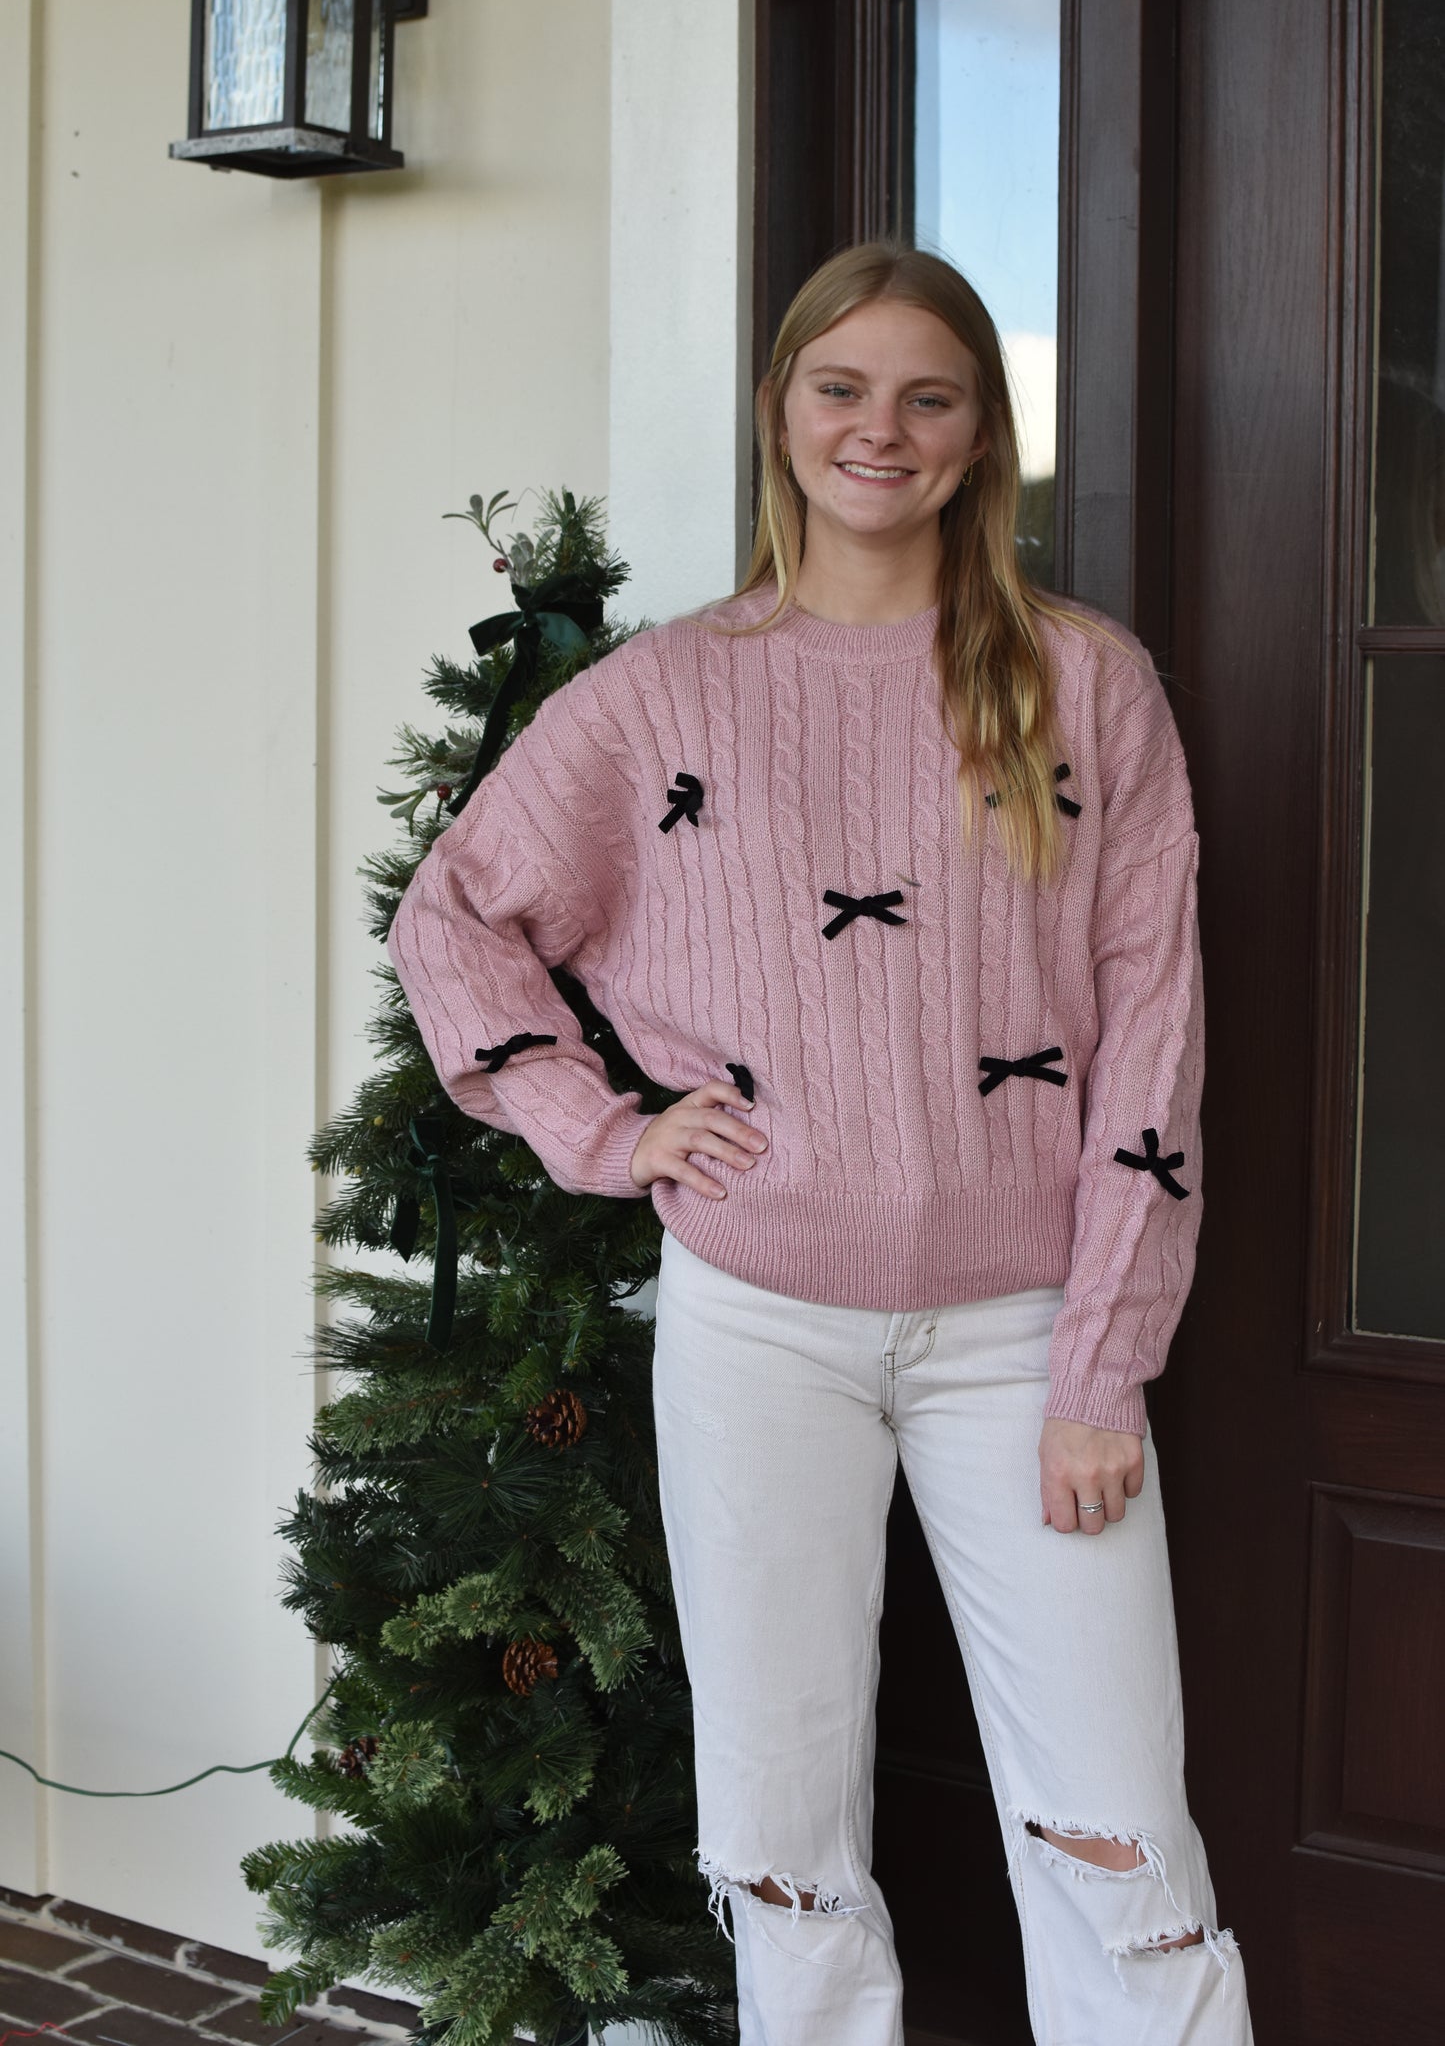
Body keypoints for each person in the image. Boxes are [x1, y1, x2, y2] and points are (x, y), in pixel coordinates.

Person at [387, 241, 1255, 2046]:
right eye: (839, 388)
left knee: (1116, 1827)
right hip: (756, 1323)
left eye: (927, 394)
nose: (882, 428)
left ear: (976, 436)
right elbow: (455, 913)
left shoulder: (1084, 687)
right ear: (781, 417)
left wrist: (1103, 1364)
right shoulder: (662, 694)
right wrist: (603, 1128)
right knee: (780, 1826)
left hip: (1027, 1337)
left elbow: (1153, 1036)